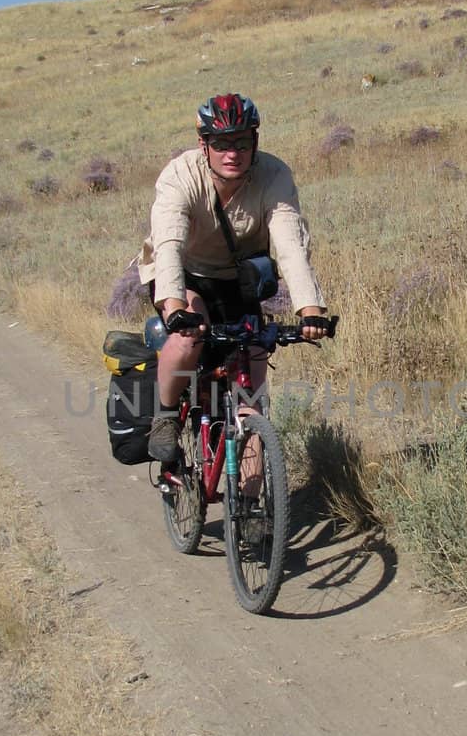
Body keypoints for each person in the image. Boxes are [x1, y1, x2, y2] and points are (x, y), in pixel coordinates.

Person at [136, 93, 330, 464]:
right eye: (221, 144)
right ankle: (165, 416)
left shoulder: (273, 175)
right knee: (188, 340)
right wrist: (175, 307)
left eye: (241, 142)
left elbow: (290, 245)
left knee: (252, 381)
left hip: (236, 281)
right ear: (203, 145)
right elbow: (169, 245)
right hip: (184, 275)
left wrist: (310, 310)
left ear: (254, 141)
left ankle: (255, 506)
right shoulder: (180, 175)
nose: (232, 153)